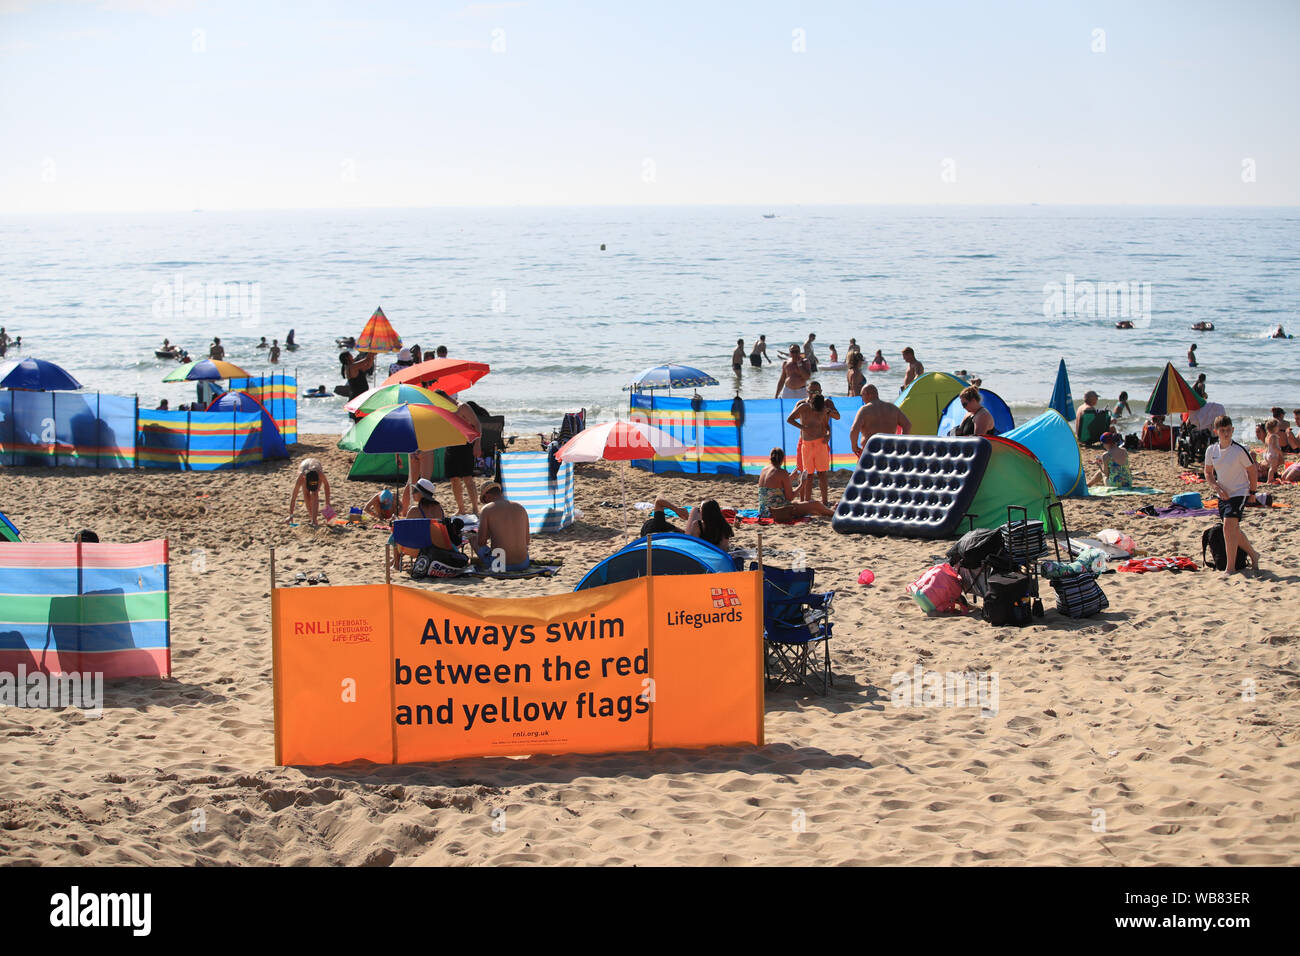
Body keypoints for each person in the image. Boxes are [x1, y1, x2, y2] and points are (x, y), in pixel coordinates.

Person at [1204, 415, 1260, 577]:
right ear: (1216, 432)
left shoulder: (1239, 450)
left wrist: (1253, 493)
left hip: (1240, 492)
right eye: (1222, 431)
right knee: (1232, 529)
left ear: (1233, 430)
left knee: (1228, 526)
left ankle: (1230, 568)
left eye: (1228, 430)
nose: (1226, 433)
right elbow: (1208, 472)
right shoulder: (1211, 450)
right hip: (1223, 494)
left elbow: (1252, 471)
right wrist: (1216, 487)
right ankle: (1254, 554)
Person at [786, 381, 839, 506]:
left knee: (822, 473)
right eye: (811, 391)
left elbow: (835, 418)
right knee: (805, 473)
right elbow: (791, 418)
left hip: (821, 441)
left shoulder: (826, 403)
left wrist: (829, 433)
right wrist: (803, 427)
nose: (814, 394)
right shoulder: (802, 404)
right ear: (807, 391)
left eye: (816, 391)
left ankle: (824, 501)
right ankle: (805, 500)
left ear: (821, 391)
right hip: (805, 442)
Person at [468, 482, 531, 572]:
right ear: (500, 493)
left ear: (487, 496)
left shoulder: (487, 509)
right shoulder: (520, 507)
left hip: (500, 565)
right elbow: (527, 540)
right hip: (524, 563)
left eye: (485, 501)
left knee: (473, 539)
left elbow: (481, 542)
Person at [758, 448, 834, 521]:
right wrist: (802, 484)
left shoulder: (764, 470)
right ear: (782, 459)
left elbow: (774, 485)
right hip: (777, 512)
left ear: (770, 458)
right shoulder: (782, 472)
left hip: (763, 511)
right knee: (815, 504)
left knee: (798, 503)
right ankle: (834, 513)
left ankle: (829, 510)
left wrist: (790, 478)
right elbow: (790, 497)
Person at [850, 384, 912, 455]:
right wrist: (901, 442)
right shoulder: (892, 408)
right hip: (890, 449)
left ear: (867, 394)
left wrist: (854, 446)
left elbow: (854, 430)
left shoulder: (864, 410)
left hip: (870, 449)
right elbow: (907, 425)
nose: (862, 398)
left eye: (862, 395)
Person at [445, 398, 482, 515]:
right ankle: (461, 508)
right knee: (454, 479)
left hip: (465, 444)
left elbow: (477, 424)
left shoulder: (463, 407)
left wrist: (477, 444)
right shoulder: (443, 409)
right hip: (451, 445)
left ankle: (475, 507)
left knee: (467, 478)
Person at [288, 458, 331, 527]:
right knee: (306, 494)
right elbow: (294, 496)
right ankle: (312, 517)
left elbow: (326, 487)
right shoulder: (301, 476)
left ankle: (314, 520)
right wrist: (291, 515)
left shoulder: (319, 474)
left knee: (314, 493)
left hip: (315, 467)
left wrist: (328, 507)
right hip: (305, 468)